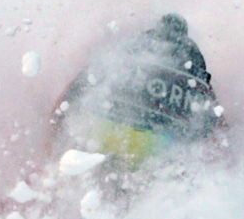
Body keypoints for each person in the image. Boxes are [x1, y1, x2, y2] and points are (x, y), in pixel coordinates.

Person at [49, 13, 224, 173]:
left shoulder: (128, 54)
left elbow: (79, 85)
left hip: (107, 133)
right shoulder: (191, 63)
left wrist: (55, 128)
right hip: (156, 146)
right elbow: (212, 117)